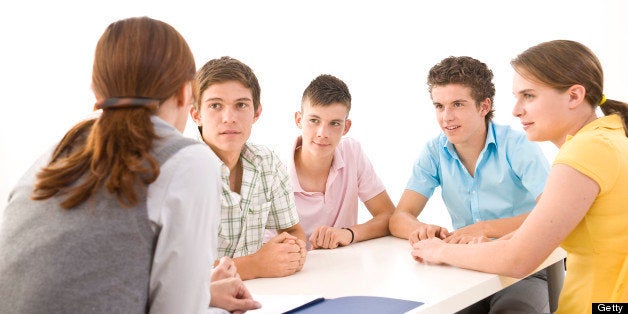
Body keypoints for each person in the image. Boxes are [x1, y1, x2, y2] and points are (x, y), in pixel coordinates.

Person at [0, 17, 260, 314]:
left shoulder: (54, 154)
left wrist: (203, 293)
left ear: (97, 93)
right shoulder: (189, 161)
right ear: (184, 94)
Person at [411, 40, 628, 313]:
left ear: (574, 96)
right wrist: (492, 244)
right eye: (516, 97)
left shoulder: (585, 151)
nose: (516, 110)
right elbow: (539, 231)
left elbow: (519, 260)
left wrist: (438, 251)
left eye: (529, 96)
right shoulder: (611, 135)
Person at [389, 56, 551, 312]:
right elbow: (399, 218)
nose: (446, 117)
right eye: (439, 106)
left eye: (457, 104)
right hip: (468, 265)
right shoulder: (434, 151)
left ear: (483, 106)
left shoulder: (518, 146)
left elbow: (550, 215)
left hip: (527, 268)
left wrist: (484, 228)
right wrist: (421, 229)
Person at [190, 56, 307, 280]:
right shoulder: (180, 173)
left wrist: (290, 252)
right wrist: (255, 265)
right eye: (215, 105)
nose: (229, 118)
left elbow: (293, 231)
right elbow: (175, 273)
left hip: (263, 297)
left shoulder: (267, 163)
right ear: (196, 115)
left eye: (241, 105)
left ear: (256, 113)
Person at [287, 74, 394, 249]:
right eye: (314, 120)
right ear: (299, 120)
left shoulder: (352, 152)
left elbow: (389, 216)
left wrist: (348, 233)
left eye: (334, 123)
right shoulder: (275, 171)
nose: (322, 133)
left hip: (345, 269)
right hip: (297, 272)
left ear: (346, 127)